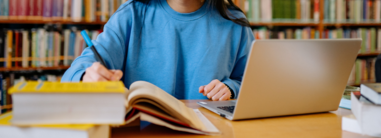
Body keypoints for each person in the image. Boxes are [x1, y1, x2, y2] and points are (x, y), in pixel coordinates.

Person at [61, 0, 254, 101]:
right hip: (140, 136)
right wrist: (86, 76)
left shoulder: (234, 22)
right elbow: (75, 73)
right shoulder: (131, 14)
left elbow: (252, 84)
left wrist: (231, 89)